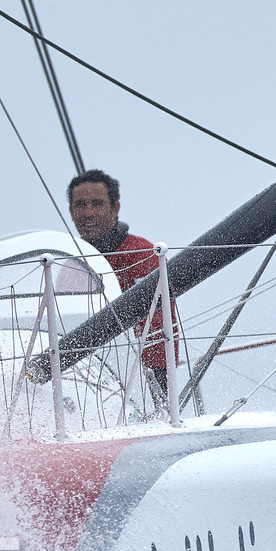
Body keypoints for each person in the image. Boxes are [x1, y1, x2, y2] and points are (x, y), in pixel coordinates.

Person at [66, 169, 178, 398]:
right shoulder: (71, 264)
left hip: (144, 377)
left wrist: (151, 383)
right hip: (84, 375)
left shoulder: (141, 254)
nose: (88, 213)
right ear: (70, 211)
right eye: (81, 205)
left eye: (97, 203)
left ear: (115, 208)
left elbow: (156, 325)